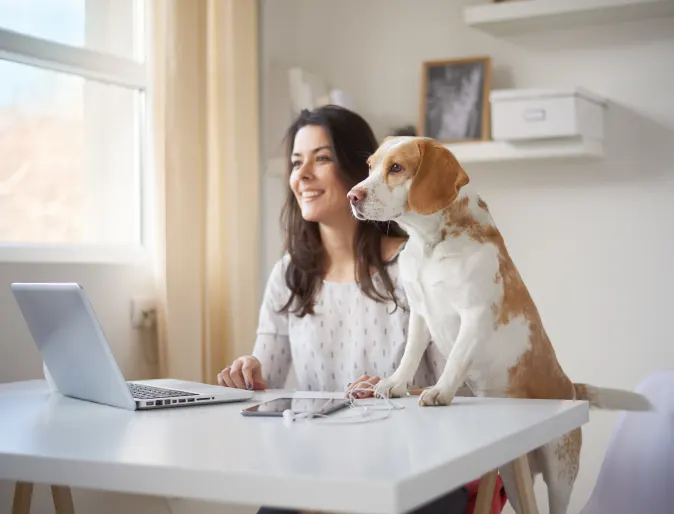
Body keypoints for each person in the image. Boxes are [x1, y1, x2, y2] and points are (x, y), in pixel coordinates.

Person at [217, 105, 470, 514]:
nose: (302, 175)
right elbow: (267, 383)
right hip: (319, 471)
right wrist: (247, 373)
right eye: (297, 162)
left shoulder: (415, 265)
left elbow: (461, 394)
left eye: (322, 159)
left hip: (415, 471)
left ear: (359, 170)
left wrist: (394, 390)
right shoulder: (290, 274)